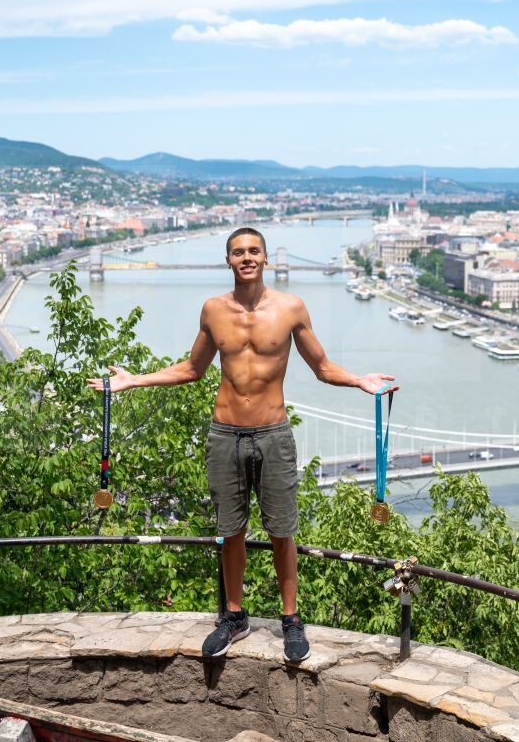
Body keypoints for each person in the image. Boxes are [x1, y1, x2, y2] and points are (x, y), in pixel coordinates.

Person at [87, 227, 396, 662]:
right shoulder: (213, 310)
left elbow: (322, 367)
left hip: (273, 434)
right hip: (224, 434)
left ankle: (291, 620)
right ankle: (234, 616)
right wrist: (134, 380)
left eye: (253, 251)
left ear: (266, 258)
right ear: (228, 260)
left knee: (281, 531)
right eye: (238, 252)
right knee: (229, 531)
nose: (246, 257)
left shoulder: (291, 309)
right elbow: (193, 369)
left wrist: (360, 380)